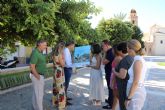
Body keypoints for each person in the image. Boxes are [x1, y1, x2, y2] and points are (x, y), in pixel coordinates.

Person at [125, 39, 147, 110]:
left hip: (136, 93)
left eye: (127, 48)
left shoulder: (137, 61)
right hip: (134, 92)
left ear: (131, 49)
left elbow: (136, 82)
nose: (126, 50)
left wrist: (128, 98)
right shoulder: (137, 59)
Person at [112, 42, 133, 110]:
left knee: (123, 106)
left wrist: (114, 71)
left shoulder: (124, 60)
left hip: (123, 86)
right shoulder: (131, 58)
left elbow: (122, 76)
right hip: (126, 85)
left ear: (120, 51)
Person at [30, 39, 47, 110]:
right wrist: (38, 77)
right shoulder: (35, 53)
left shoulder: (40, 52)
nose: (46, 46)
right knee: (39, 95)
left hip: (39, 75)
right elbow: (32, 66)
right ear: (39, 44)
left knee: (36, 94)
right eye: (45, 45)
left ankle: (34, 107)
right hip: (37, 76)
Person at [52, 42, 66, 109]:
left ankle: (55, 102)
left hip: (55, 71)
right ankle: (61, 106)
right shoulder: (60, 55)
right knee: (61, 89)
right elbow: (63, 64)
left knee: (55, 87)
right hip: (59, 72)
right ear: (61, 48)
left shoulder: (54, 54)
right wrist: (64, 58)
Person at [102, 40, 114, 109]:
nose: (102, 47)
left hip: (110, 73)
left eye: (103, 45)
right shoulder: (110, 51)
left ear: (106, 45)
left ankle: (111, 104)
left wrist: (104, 53)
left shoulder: (110, 52)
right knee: (110, 88)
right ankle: (110, 100)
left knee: (110, 88)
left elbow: (103, 62)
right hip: (109, 72)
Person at [110, 44, 122, 110]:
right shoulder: (118, 57)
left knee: (116, 96)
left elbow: (116, 71)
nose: (112, 50)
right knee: (116, 96)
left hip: (115, 79)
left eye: (112, 49)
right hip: (115, 77)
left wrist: (113, 82)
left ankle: (113, 108)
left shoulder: (118, 58)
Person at [63, 41, 75, 105]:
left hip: (68, 69)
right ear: (70, 45)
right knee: (65, 84)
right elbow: (67, 63)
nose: (74, 47)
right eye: (73, 45)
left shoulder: (67, 50)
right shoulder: (66, 51)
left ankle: (65, 97)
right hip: (67, 69)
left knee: (66, 84)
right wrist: (74, 65)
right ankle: (64, 100)